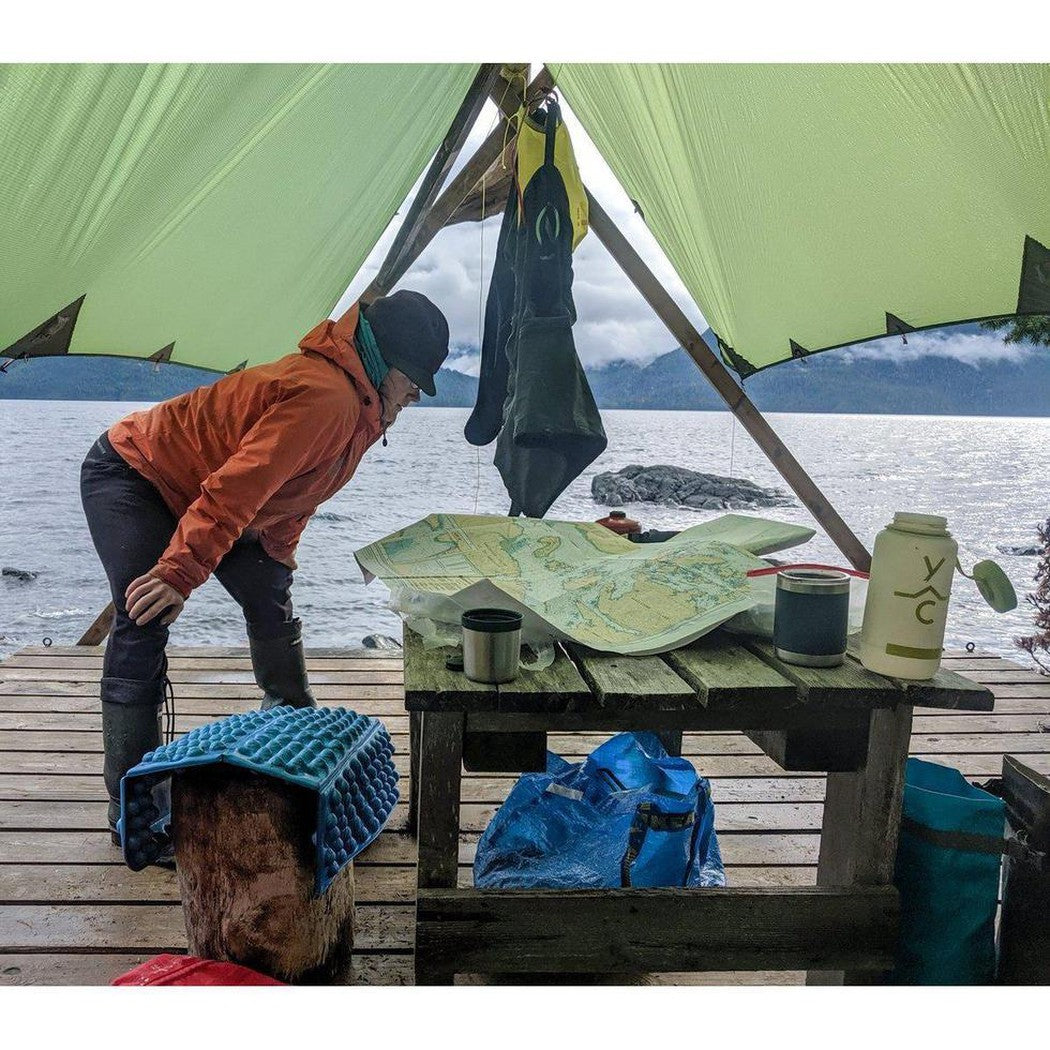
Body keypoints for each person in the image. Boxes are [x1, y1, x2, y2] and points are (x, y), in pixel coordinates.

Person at [80, 290, 449, 842]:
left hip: (211, 493)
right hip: (137, 472)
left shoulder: (363, 408)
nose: (417, 392)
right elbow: (240, 485)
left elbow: (299, 492)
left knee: (270, 595)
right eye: (415, 379)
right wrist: (179, 573)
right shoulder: (328, 398)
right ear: (385, 361)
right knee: (144, 614)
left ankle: (294, 726)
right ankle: (133, 809)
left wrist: (279, 552)